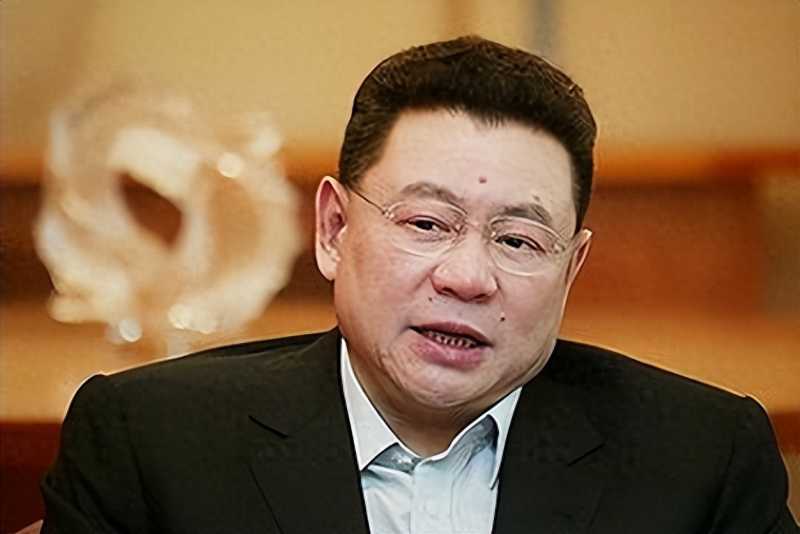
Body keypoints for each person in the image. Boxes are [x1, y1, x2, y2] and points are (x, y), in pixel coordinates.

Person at [41, 35, 797, 534]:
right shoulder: (150, 445)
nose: (467, 278)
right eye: (427, 223)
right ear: (334, 229)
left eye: (518, 240)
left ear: (572, 268)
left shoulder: (703, 461)